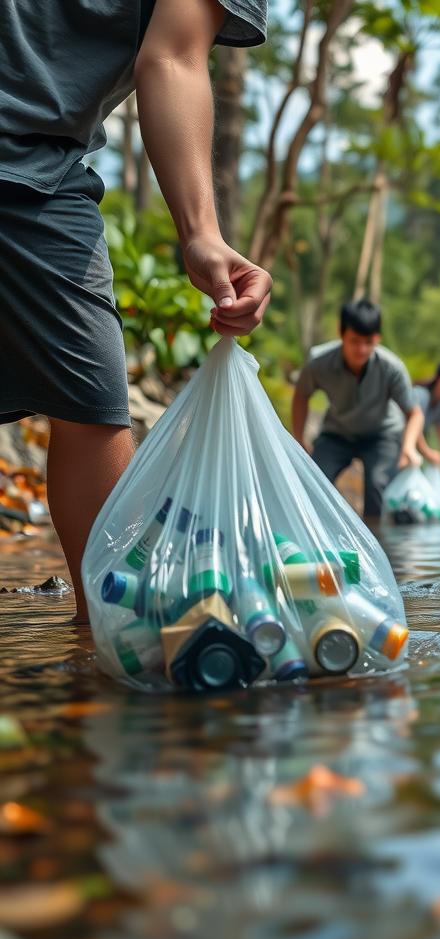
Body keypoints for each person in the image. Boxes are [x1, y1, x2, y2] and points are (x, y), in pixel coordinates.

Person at [0, 0, 274, 623]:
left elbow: (171, 56)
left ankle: (108, 632)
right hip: (32, 158)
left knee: (90, 404)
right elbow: (172, 58)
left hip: (37, 172)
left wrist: (201, 233)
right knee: (90, 413)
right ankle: (116, 639)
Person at [291, 299, 424, 521]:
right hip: (337, 434)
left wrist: (408, 447)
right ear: (341, 334)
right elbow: (301, 395)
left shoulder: (391, 367)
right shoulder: (318, 362)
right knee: (313, 479)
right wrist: (300, 440)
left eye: (368, 342)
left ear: (378, 339)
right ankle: (320, 536)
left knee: (377, 483)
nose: (361, 349)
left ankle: (377, 543)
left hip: (382, 436)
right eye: (354, 341)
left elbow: (415, 413)